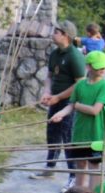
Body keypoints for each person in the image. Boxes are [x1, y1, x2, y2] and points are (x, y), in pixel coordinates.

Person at [51, 50, 105, 190]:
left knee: (94, 166)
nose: (103, 69)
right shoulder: (80, 85)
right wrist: (60, 114)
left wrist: (77, 105)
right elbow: (70, 106)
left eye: (104, 66)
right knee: (80, 165)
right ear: (89, 67)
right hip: (79, 133)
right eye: (99, 66)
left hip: (96, 134)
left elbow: (95, 110)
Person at [35, 21, 86, 181]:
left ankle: (73, 176)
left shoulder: (75, 56)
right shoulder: (55, 53)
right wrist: (47, 92)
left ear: (65, 35)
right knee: (52, 134)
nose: (53, 33)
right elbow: (50, 76)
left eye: (56, 31)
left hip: (69, 103)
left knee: (67, 137)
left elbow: (79, 83)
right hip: (54, 100)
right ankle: (50, 168)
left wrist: (58, 97)